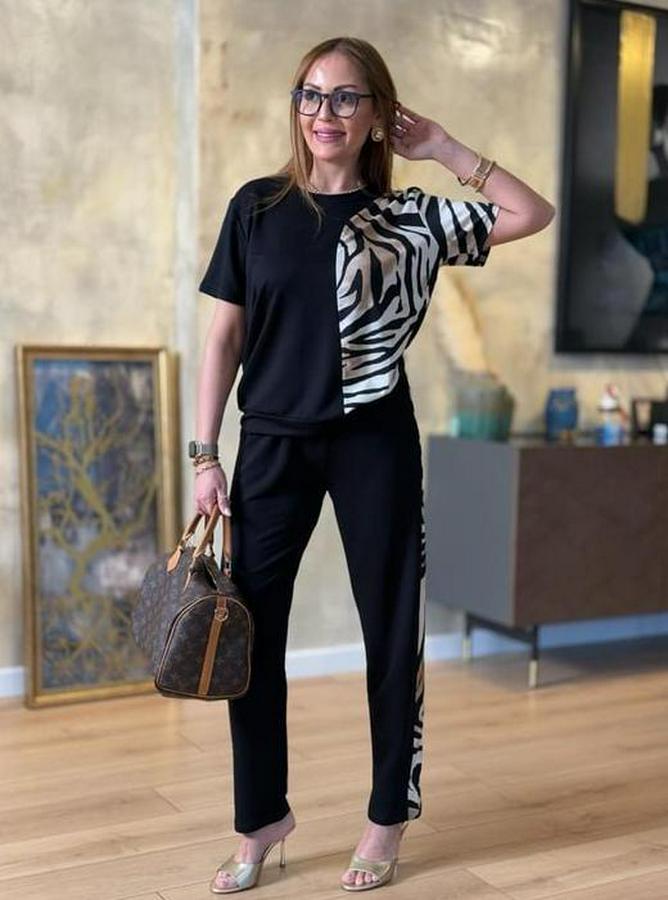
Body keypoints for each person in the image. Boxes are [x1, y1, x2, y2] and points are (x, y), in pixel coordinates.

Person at [193, 35, 554, 895]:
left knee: (391, 630)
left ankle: (387, 815)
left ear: (378, 114)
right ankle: (260, 819)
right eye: (311, 94)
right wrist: (206, 454)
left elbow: (531, 212)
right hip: (271, 442)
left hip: (374, 440)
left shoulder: (409, 217)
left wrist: (447, 150)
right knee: (251, 635)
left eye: (346, 97)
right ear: (297, 107)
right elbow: (225, 338)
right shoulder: (255, 207)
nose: (325, 113)